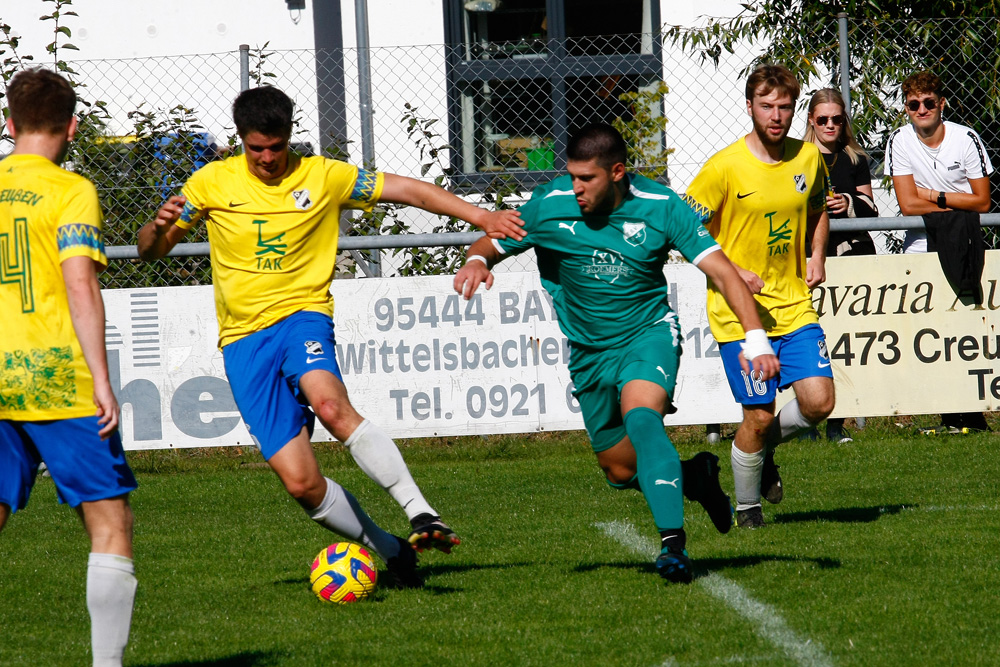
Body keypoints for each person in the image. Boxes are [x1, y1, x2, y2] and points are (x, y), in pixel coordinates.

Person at [137, 85, 524, 586]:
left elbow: (409, 190)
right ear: (240, 141)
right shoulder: (210, 182)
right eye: (256, 148)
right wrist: (157, 224)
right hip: (243, 342)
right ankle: (390, 551)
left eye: (276, 147)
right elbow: (151, 251)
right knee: (301, 483)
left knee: (330, 403)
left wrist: (482, 216)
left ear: (289, 137)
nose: (268, 158)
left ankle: (422, 513)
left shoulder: (323, 175)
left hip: (303, 317)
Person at [453, 123, 780, 584]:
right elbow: (494, 239)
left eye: (586, 178)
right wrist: (476, 261)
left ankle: (673, 546)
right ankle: (698, 478)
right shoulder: (550, 205)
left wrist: (756, 339)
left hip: (648, 334)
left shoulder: (662, 207)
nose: (575, 187)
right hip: (588, 353)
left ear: (619, 172)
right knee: (621, 470)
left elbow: (725, 274)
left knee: (642, 418)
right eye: (571, 176)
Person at [0, 68, 138, 667]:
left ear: (9, 124)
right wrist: (102, 380)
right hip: (54, 375)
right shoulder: (70, 189)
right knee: (110, 524)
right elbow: (80, 284)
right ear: (72, 125)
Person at [682, 64, 835, 529]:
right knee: (760, 415)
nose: (775, 115)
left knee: (819, 402)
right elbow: (684, 229)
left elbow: (817, 209)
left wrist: (817, 254)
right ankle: (747, 510)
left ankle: (761, 453)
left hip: (792, 303)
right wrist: (730, 270)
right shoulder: (723, 167)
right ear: (749, 107)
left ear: (795, 110)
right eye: (766, 106)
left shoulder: (808, 159)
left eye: (784, 106)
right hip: (738, 315)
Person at [885, 71, 993, 434]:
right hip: (920, 242)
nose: (922, 109)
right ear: (906, 108)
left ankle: (973, 412)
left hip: (965, 239)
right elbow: (905, 204)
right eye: (914, 104)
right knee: (931, 329)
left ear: (941, 104)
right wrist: (950, 206)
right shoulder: (899, 140)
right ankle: (947, 414)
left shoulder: (966, 138)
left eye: (929, 102)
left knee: (966, 324)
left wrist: (932, 195)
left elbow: (982, 200)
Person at [803, 87, 879, 443]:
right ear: (811, 121)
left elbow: (872, 209)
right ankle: (806, 423)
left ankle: (839, 424)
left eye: (837, 118)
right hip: (809, 258)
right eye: (823, 119)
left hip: (851, 256)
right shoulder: (798, 158)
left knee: (846, 340)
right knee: (809, 339)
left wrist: (847, 202)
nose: (830, 125)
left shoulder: (855, 158)